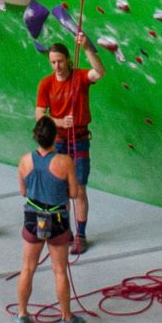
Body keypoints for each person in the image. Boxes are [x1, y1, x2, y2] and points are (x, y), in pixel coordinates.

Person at [34, 30, 104, 255]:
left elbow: (99, 72)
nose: (57, 66)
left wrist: (86, 47)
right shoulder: (46, 84)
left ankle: (81, 235)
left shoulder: (80, 77)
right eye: (53, 62)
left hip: (80, 139)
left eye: (60, 61)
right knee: (62, 190)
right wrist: (59, 122)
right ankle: (65, 231)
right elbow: (39, 116)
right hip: (59, 142)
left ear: (68, 60)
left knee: (80, 189)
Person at [13, 116, 86, 323]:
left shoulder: (25, 160)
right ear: (55, 137)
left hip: (33, 218)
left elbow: (23, 192)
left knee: (27, 268)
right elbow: (74, 193)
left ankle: (22, 314)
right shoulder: (64, 162)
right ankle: (66, 317)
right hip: (56, 220)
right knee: (59, 271)